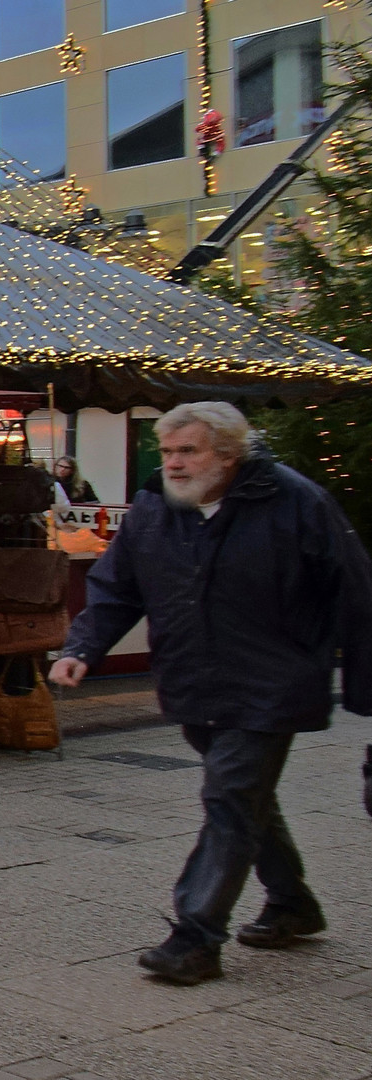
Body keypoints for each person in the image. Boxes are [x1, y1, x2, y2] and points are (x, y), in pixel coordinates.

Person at [52, 402, 372, 985]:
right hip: (192, 679)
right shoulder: (155, 507)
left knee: (230, 796)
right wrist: (81, 648)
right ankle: (293, 904)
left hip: (273, 681)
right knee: (245, 799)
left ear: (229, 454)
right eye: (167, 451)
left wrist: (364, 689)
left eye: (187, 451)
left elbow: (354, 591)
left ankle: (195, 937)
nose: (172, 463)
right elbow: (117, 586)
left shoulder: (297, 503)